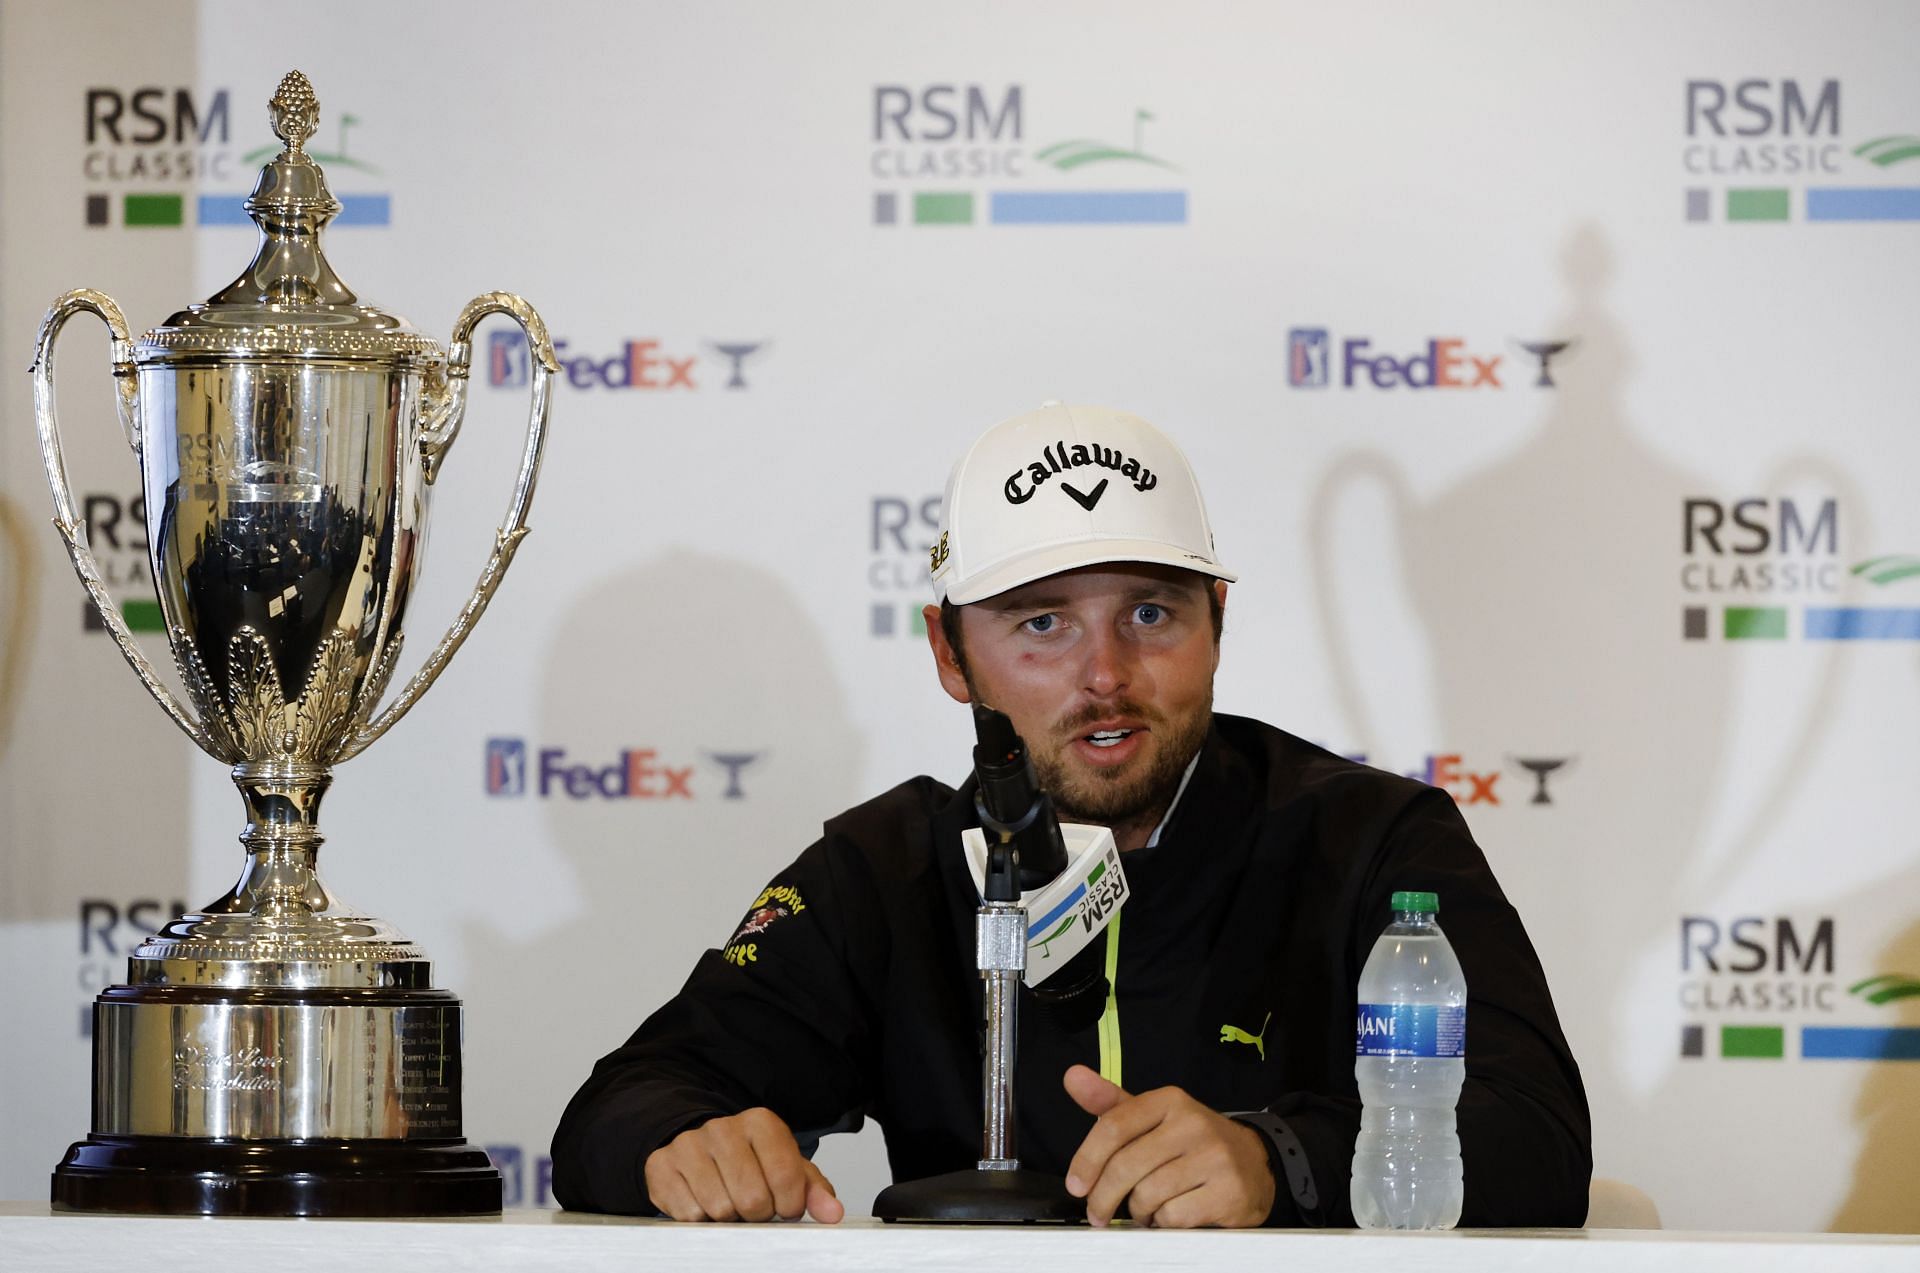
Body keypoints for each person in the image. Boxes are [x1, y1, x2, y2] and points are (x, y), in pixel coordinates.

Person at [551, 403, 1591, 1227]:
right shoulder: (886, 870)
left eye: (1151, 612)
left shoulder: (1370, 839)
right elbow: (623, 1104)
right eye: (1041, 624)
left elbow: (1537, 1139)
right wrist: (682, 1144)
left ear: (1217, 623)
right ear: (951, 653)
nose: (1106, 675)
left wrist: (1280, 1161)